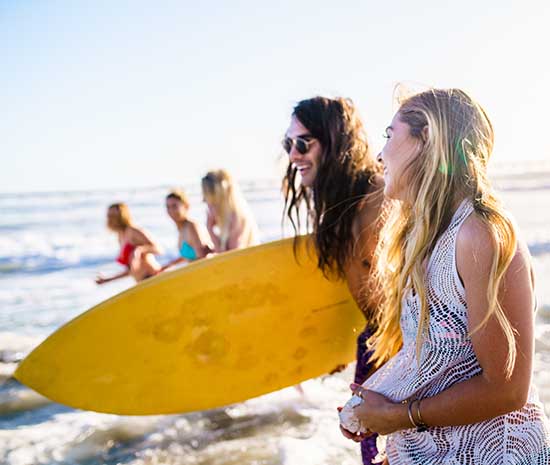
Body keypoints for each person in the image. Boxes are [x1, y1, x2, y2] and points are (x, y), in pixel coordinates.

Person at [340, 88, 550, 464]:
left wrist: (397, 416)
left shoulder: (479, 233)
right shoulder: (424, 237)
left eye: (390, 135)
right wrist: (382, 399)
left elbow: (506, 390)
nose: (379, 154)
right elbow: (442, 357)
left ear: (426, 139)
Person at [281, 96, 385, 464]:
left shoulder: (380, 199)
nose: (293, 155)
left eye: (303, 143)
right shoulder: (344, 207)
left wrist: (398, 388)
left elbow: (416, 299)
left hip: (402, 362)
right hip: (374, 350)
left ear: (336, 140)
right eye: (288, 144)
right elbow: (362, 293)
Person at [96, 203, 162, 284]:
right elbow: (131, 270)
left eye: (114, 216)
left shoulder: (133, 231)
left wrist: (139, 250)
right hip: (141, 282)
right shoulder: (120, 236)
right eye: (109, 216)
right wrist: (107, 280)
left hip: (153, 277)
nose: (111, 219)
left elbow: (158, 249)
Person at [201, 169, 259, 252]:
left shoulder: (236, 218)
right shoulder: (229, 220)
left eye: (209, 201)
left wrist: (209, 228)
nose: (205, 202)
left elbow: (230, 255)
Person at [161, 189, 212, 271]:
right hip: (194, 271)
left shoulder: (191, 227)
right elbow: (190, 255)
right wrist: (169, 264)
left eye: (174, 206)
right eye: (168, 207)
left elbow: (202, 255)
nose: (171, 211)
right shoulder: (181, 229)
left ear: (186, 206)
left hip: (203, 272)